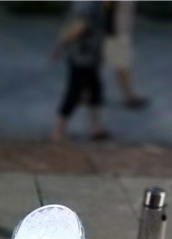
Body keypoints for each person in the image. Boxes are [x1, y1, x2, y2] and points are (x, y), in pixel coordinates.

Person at [51, 1, 110, 142]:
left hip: (90, 58)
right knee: (74, 92)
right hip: (81, 58)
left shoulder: (96, 7)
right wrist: (61, 44)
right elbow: (76, 28)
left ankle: (96, 127)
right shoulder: (89, 7)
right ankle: (59, 130)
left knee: (95, 89)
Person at [104, 1, 148, 108]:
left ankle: (86, 92)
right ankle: (129, 96)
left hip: (121, 30)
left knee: (119, 64)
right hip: (114, 31)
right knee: (122, 64)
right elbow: (105, 5)